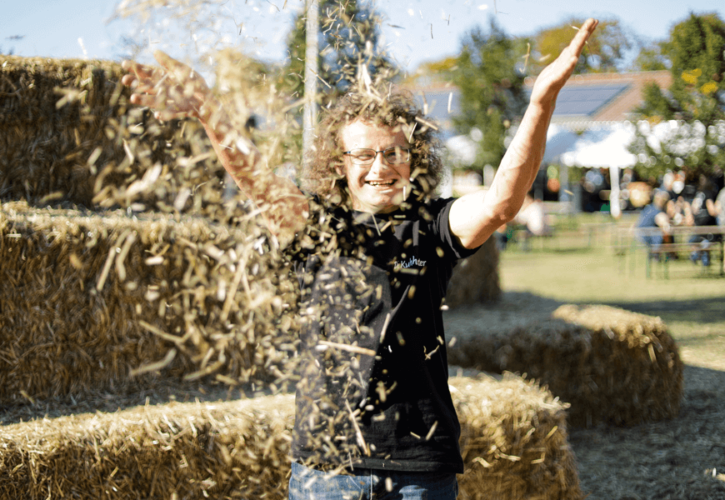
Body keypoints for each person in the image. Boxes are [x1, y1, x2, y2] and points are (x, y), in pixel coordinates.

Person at [122, 18, 598, 500]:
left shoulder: (432, 226)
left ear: (414, 159)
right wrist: (208, 110)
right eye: (363, 155)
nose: (379, 167)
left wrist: (541, 101)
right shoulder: (314, 225)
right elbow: (254, 178)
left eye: (393, 152)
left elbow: (501, 202)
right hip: (327, 471)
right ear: (339, 164)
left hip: (419, 469)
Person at [635, 189, 672, 259]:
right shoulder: (656, 209)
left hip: (640, 231)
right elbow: (663, 223)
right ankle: (656, 254)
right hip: (644, 232)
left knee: (659, 233)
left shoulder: (650, 207)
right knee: (660, 234)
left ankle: (656, 253)